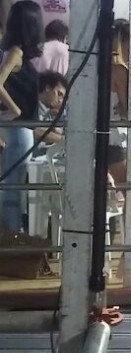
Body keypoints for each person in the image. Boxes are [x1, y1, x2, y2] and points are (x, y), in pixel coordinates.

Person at [0, 1, 44, 233]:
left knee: (13, 187)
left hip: (21, 130)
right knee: (13, 188)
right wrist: (14, 110)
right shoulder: (16, 52)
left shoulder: (14, 52)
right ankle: (13, 235)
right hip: (20, 130)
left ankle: (12, 234)